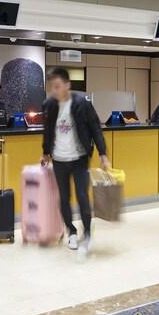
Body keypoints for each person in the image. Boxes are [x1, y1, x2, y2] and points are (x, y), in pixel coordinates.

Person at [41, 67, 110, 258]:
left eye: (57, 86)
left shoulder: (82, 104)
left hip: (79, 158)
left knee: (82, 196)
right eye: (52, 87)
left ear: (67, 85)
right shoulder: (50, 105)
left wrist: (103, 154)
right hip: (59, 159)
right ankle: (71, 231)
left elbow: (96, 128)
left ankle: (86, 233)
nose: (54, 90)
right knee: (63, 198)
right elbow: (47, 131)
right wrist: (45, 153)